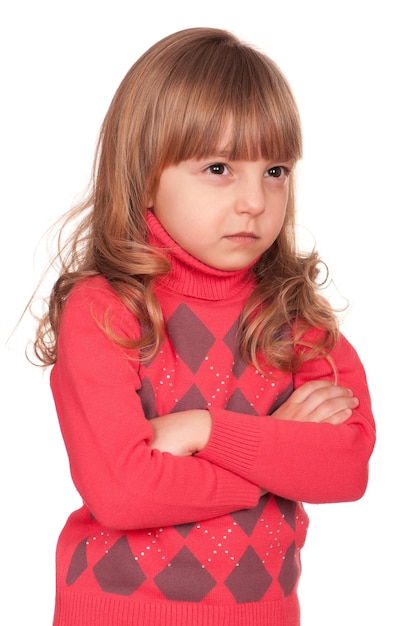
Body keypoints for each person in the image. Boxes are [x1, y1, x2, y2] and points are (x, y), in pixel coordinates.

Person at [32, 27, 376, 626]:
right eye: (219, 167)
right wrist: (272, 454)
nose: (254, 201)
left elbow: (345, 469)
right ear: (143, 176)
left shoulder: (294, 318)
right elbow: (123, 490)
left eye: (275, 170)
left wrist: (203, 430)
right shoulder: (107, 311)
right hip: (117, 613)